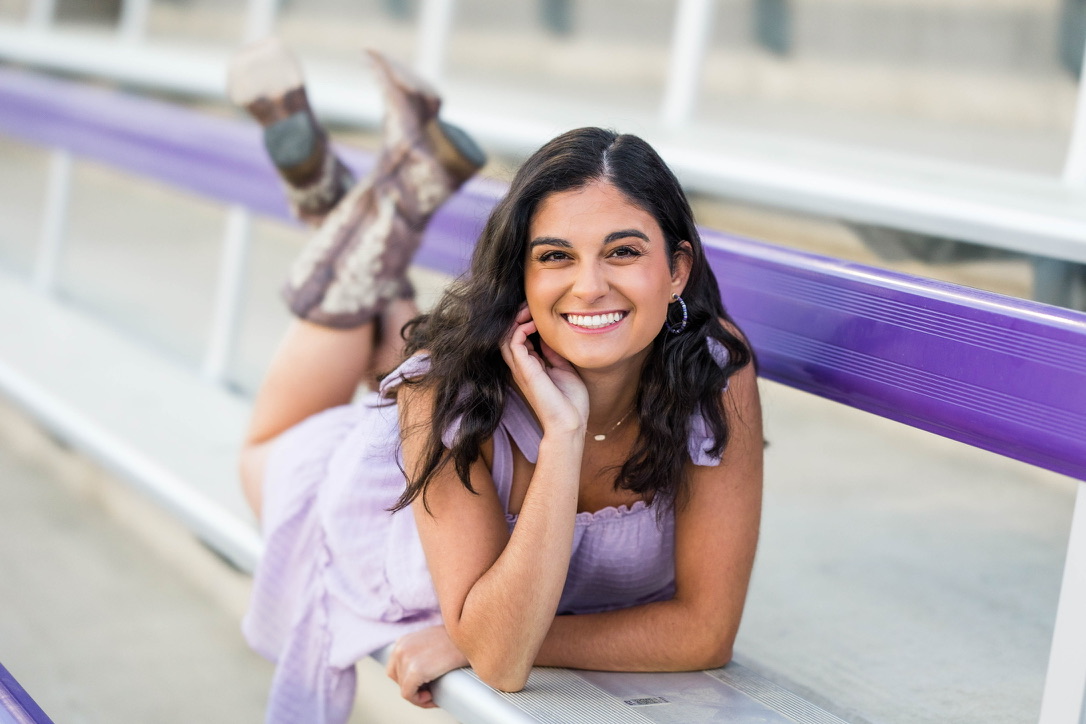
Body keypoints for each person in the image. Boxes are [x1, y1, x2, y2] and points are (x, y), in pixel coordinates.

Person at [231, 39, 763, 724]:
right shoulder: (441, 392)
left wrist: (466, 637)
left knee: (401, 332)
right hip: (354, 492)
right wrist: (563, 435)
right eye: (555, 256)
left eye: (624, 251)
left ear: (678, 270)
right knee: (259, 450)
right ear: (524, 278)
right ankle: (355, 221)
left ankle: (359, 206)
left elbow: (705, 634)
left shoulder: (715, 369)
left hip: (455, 410)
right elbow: (504, 661)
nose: (590, 284)